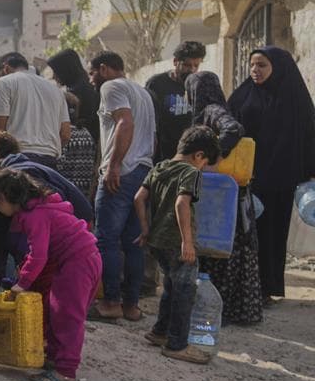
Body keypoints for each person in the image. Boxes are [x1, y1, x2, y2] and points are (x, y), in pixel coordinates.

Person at [0, 169, 101, 381]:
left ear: (5, 198)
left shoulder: (34, 216)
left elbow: (39, 255)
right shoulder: (41, 206)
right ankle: (55, 358)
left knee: (68, 316)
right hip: (81, 259)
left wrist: (22, 284)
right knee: (57, 310)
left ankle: (65, 371)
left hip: (77, 262)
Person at [227, 46, 315, 302]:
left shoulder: (295, 100)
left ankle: (266, 288)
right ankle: (243, 287)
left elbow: (309, 138)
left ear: (278, 68)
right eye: (253, 65)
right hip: (246, 179)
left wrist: (309, 174)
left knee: (271, 236)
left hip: (280, 182)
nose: (255, 70)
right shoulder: (243, 95)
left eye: (262, 65)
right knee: (245, 235)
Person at [134, 125, 221, 364]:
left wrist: (144, 229)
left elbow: (139, 198)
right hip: (177, 243)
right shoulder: (190, 172)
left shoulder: (160, 167)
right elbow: (182, 203)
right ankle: (177, 344)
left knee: (171, 287)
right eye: (205, 163)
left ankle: (160, 332)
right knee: (184, 292)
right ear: (199, 156)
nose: (203, 167)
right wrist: (188, 242)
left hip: (157, 242)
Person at [0, 138, 93, 285]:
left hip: (76, 235)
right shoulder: (4, 188)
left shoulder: (19, 178)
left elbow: (58, 208)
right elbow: (0, 234)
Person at [186, 70, 263, 325]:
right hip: (229, 195)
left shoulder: (211, 110)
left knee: (222, 248)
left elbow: (234, 129)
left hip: (225, 196)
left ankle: (223, 310)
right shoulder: (216, 107)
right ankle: (235, 309)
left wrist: (212, 159)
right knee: (231, 248)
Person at [88, 50, 156, 321]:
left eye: (92, 73)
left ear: (104, 69)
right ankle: (131, 305)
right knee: (134, 242)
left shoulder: (111, 86)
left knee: (106, 240)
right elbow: (152, 136)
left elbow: (124, 123)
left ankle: (111, 303)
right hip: (142, 170)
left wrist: (114, 165)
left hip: (122, 172)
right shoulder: (142, 92)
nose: (91, 79)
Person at [0, 51, 71, 169]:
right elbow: (65, 134)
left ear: (6, 69)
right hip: (49, 161)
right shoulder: (56, 90)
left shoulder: (4, 82)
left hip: (17, 158)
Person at [146, 41, 205, 163]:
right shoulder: (157, 83)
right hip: (161, 153)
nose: (192, 70)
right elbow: (149, 118)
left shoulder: (201, 85)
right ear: (175, 62)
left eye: (196, 66)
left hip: (189, 154)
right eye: (187, 65)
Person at [46, 48, 99, 146]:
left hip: (81, 146)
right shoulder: (86, 85)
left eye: (55, 71)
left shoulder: (76, 92)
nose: (54, 77)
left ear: (65, 70)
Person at [60, 92, 98, 200]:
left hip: (64, 194)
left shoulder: (63, 135)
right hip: (83, 195)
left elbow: (59, 164)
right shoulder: (86, 133)